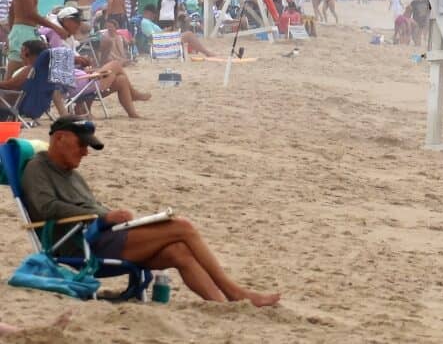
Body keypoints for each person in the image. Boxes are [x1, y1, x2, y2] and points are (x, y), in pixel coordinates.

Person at [20, 117, 281, 307]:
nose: (86, 153)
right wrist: (104, 217)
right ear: (60, 139)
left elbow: (90, 207)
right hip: (80, 245)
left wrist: (114, 218)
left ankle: (222, 304)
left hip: (104, 236)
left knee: (178, 252)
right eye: (81, 145)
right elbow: (47, 208)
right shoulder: (37, 169)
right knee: (183, 227)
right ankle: (235, 292)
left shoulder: (71, 174)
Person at [41, 8, 151, 118]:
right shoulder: (56, 34)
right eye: (77, 22)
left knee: (121, 79)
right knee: (116, 64)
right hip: (75, 83)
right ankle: (134, 94)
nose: (79, 25)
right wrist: (77, 61)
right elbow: (58, 59)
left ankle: (133, 114)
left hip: (79, 78)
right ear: (66, 21)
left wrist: (81, 63)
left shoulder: (63, 35)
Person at [6, 0, 68, 79]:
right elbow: (30, 14)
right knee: (13, 77)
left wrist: (12, 32)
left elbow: (12, 9)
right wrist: (55, 27)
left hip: (24, 31)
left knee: (29, 74)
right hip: (23, 32)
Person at [141, 5, 215, 57]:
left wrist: (165, 31)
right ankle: (206, 52)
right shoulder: (145, 22)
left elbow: (156, 34)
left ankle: (201, 51)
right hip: (161, 43)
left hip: (163, 41)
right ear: (148, 12)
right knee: (188, 34)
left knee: (186, 33)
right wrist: (165, 32)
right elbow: (153, 36)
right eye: (153, 14)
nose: (154, 16)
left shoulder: (148, 22)